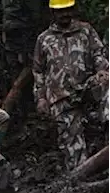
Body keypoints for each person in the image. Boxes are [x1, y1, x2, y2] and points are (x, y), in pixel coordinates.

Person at [33, 0, 110, 170]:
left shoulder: (86, 30)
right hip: (62, 97)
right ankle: (81, 182)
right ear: (53, 12)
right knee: (73, 149)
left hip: (87, 87)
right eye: (60, 11)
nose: (64, 14)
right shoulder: (44, 39)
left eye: (67, 10)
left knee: (107, 82)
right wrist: (41, 98)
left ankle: (108, 124)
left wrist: (101, 70)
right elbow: (38, 71)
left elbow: (99, 53)